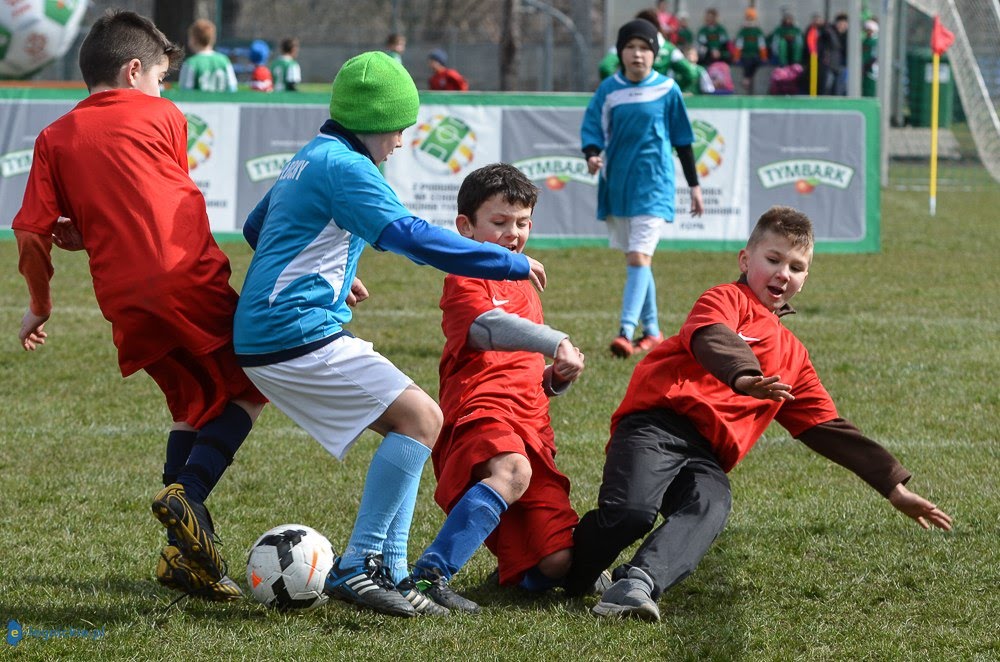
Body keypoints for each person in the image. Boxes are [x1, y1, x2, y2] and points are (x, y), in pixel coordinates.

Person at [232, 52, 547, 618]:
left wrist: (336, 274)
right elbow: (411, 237)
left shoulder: (311, 156)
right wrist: (504, 263)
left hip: (274, 329)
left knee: (417, 419)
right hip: (290, 330)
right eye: (400, 127)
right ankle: (361, 566)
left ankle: (393, 573)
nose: (401, 142)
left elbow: (260, 228)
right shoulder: (347, 168)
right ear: (377, 121)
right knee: (422, 418)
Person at [562, 206, 953, 621]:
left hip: (706, 455)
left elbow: (826, 427)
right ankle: (564, 567)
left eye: (797, 267)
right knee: (630, 514)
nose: (784, 273)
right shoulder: (725, 299)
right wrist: (745, 376)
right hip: (656, 426)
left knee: (711, 501)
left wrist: (892, 485)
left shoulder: (794, 357)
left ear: (804, 279)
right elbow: (712, 336)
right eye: (773, 260)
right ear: (746, 260)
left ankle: (638, 583)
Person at [12, 9, 266, 603]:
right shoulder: (163, 114)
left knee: (189, 400)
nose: (161, 88)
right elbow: (164, 199)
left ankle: (181, 559)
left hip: (122, 298)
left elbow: (32, 232)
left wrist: (40, 303)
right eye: (158, 76)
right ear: (133, 71)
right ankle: (190, 494)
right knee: (255, 382)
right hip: (185, 277)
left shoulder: (53, 137)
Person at [398, 163, 586, 614]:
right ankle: (430, 574)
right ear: (466, 227)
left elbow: (522, 368)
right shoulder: (464, 272)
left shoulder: (525, 283)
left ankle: (519, 575)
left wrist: (553, 380)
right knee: (512, 472)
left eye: (522, 224)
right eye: (499, 223)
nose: (513, 234)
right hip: (481, 410)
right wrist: (554, 339)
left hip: (532, 422)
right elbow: (485, 328)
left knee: (558, 561)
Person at [581, 19, 704, 359]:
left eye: (644, 48)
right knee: (638, 260)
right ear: (621, 53)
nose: (637, 54)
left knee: (639, 256)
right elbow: (593, 129)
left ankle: (625, 331)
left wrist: (694, 186)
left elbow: (683, 140)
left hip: (655, 185)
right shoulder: (608, 90)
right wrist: (592, 155)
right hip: (618, 186)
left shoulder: (668, 90)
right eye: (631, 48)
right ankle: (652, 332)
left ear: (654, 55)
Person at [178, 18, 237, 92]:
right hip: (221, 103)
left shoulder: (190, 63)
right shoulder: (224, 61)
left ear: (193, 39)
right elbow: (232, 88)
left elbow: (185, 92)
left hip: (199, 103)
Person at [733, 7, 768, 94]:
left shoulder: (758, 31)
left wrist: (764, 57)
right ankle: (747, 78)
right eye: (748, 18)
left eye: (751, 18)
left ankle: (747, 78)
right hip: (745, 55)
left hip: (756, 56)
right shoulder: (743, 32)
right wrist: (736, 57)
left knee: (755, 61)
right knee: (748, 61)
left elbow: (762, 46)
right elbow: (738, 46)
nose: (750, 20)